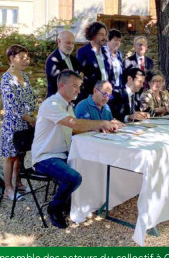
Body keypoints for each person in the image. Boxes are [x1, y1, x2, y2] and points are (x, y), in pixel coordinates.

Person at [31, 70, 123, 229]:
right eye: (75, 86)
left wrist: (99, 128)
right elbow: (74, 124)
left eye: (79, 87)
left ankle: (89, 202)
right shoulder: (51, 104)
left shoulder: (67, 106)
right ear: (61, 86)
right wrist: (101, 123)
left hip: (63, 154)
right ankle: (55, 207)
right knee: (73, 177)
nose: (78, 91)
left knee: (93, 164)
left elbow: (74, 130)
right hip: (45, 157)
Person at [0, 44, 37, 200]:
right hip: (13, 123)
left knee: (21, 155)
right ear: (11, 58)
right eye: (21, 58)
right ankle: (8, 188)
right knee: (11, 156)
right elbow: (12, 105)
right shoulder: (6, 79)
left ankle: (19, 183)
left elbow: (31, 99)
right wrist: (30, 119)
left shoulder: (25, 76)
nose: (25, 61)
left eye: (27, 58)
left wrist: (33, 116)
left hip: (26, 122)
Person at [76, 21, 109, 102]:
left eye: (105, 35)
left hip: (105, 96)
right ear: (93, 35)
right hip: (90, 97)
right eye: (101, 35)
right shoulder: (83, 52)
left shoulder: (106, 52)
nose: (104, 38)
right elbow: (80, 77)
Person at [44, 31, 80, 97]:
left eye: (73, 43)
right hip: (57, 101)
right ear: (59, 41)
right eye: (68, 43)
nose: (71, 46)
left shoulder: (73, 59)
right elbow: (57, 85)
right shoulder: (53, 60)